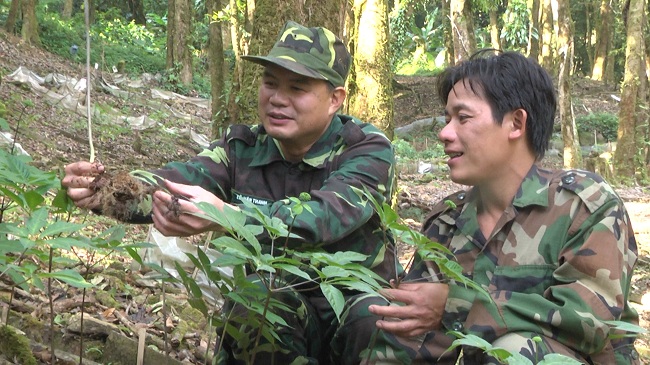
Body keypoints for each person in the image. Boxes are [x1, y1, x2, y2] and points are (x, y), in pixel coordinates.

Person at [62, 21, 398, 364]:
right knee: (256, 297)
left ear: (334, 99)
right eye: (270, 83)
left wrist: (227, 217)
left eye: (297, 88)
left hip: (351, 307)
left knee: (382, 322)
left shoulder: (366, 149)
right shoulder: (243, 149)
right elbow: (183, 179)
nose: (277, 99)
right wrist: (107, 189)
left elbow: (325, 216)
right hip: (280, 308)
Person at [366, 50, 641, 364]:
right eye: (446, 120)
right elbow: (415, 329)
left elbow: (588, 323)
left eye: (463, 118)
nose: (444, 133)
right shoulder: (446, 222)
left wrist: (456, 304)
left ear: (515, 123)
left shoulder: (583, 206)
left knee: (513, 350)